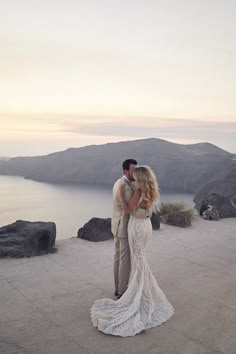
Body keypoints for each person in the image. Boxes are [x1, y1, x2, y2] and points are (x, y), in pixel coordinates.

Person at [90, 165, 174, 337]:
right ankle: (141, 288)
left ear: (140, 178)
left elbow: (128, 210)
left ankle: (136, 292)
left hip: (135, 226)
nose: (134, 178)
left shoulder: (138, 191)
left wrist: (121, 194)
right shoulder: (151, 190)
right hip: (146, 227)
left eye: (136, 176)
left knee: (138, 259)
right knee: (141, 258)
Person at [111, 159, 151, 299]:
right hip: (124, 228)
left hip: (116, 225)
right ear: (125, 171)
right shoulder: (126, 187)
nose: (135, 173)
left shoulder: (118, 182)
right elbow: (128, 209)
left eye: (137, 170)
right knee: (125, 260)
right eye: (133, 170)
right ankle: (122, 291)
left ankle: (117, 287)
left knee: (118, 259)